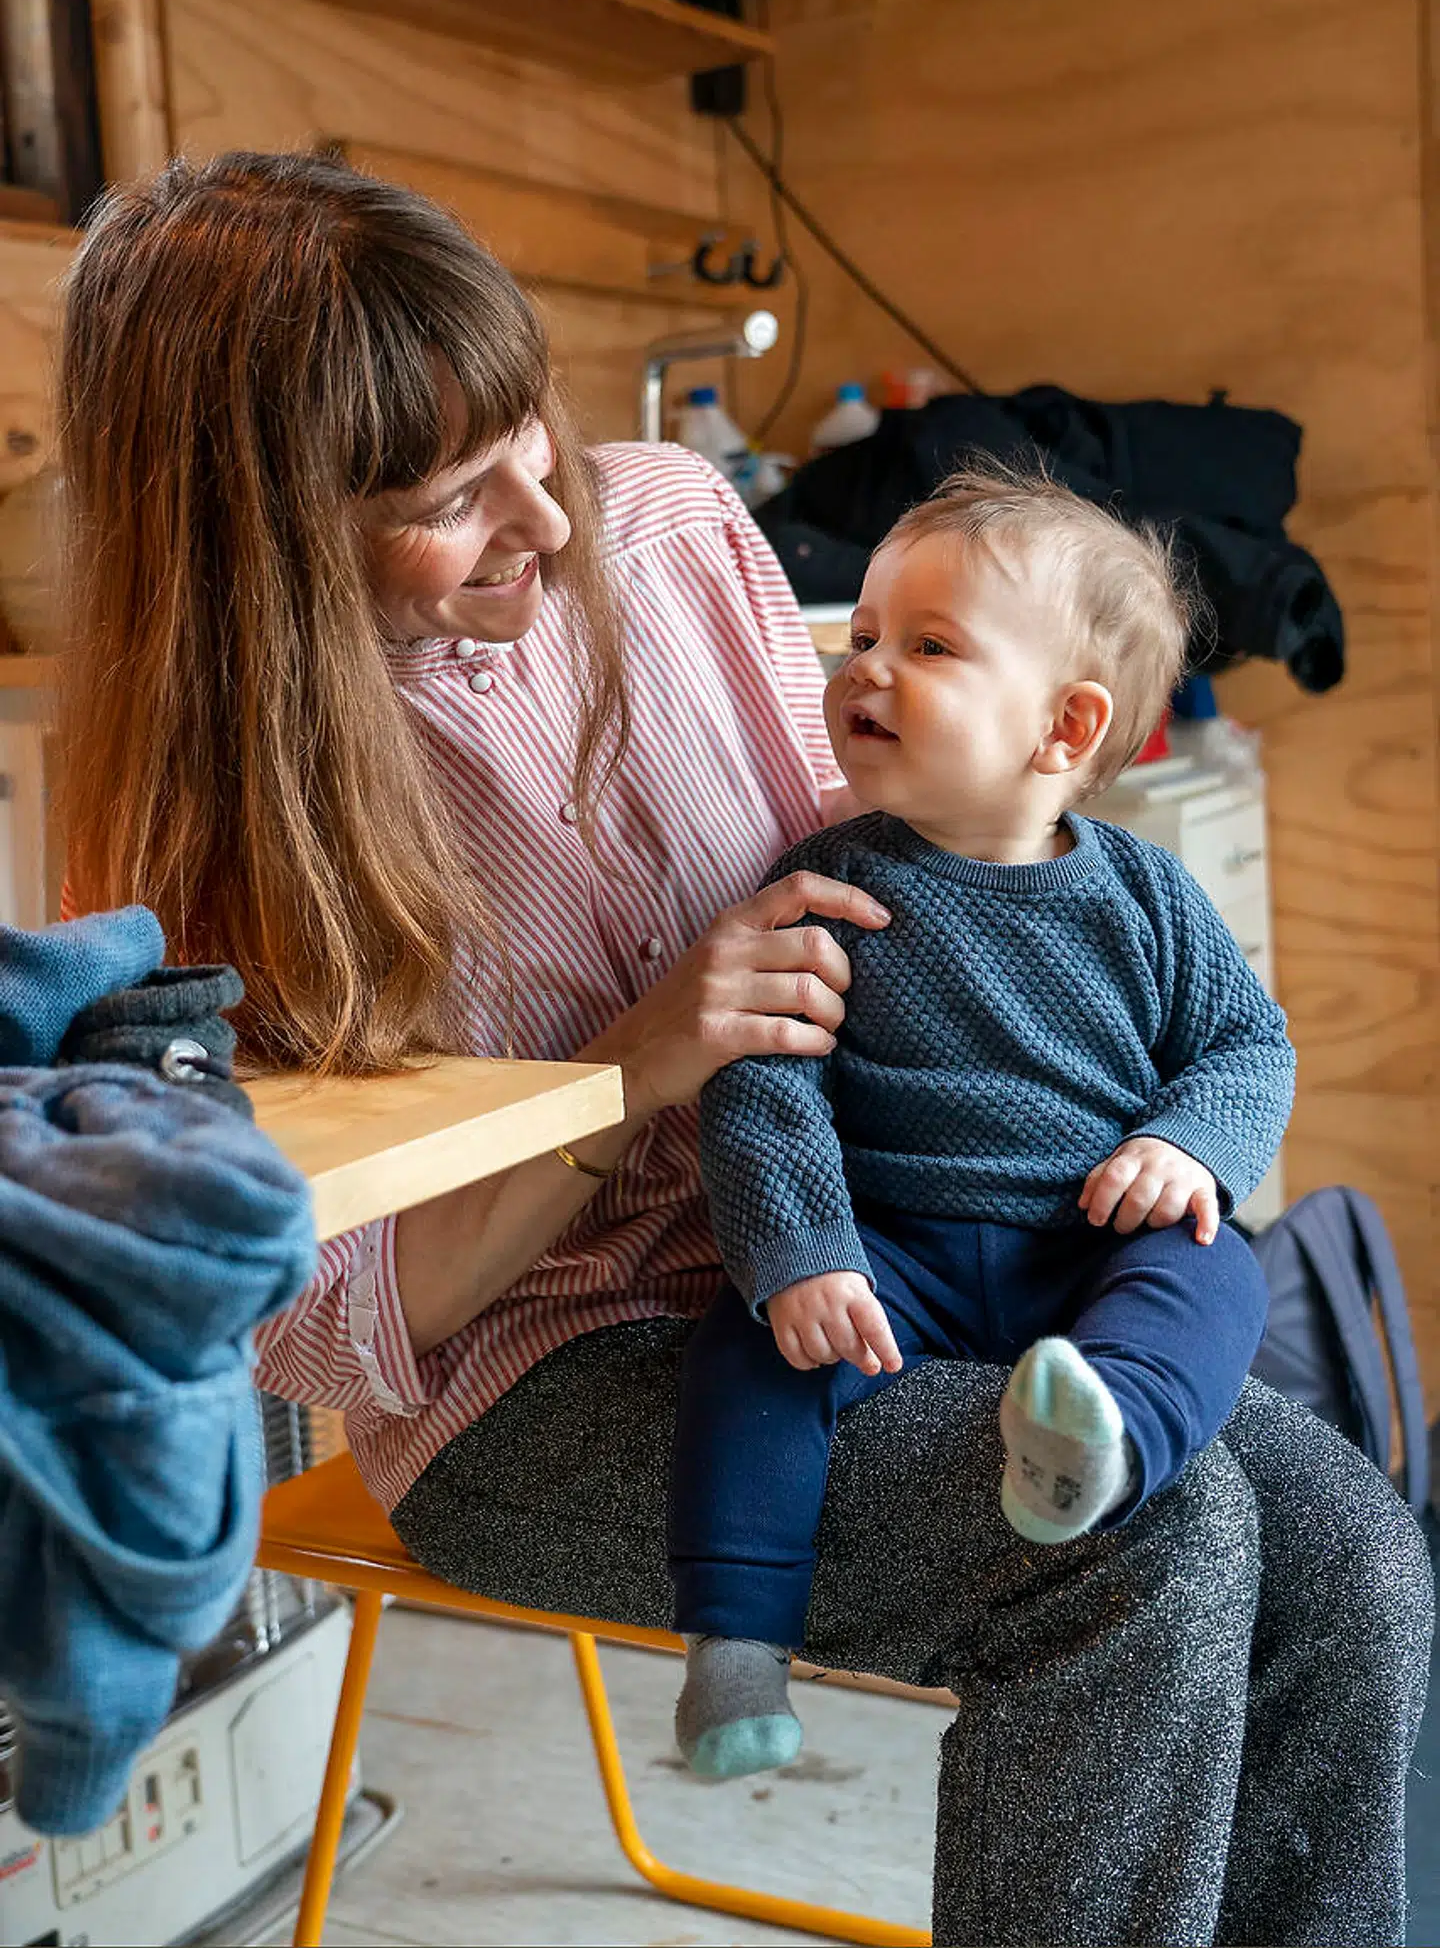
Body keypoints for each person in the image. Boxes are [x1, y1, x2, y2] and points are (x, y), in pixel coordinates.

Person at [53, 149, 1431, 1948]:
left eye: (526, 435)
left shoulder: (680, 528)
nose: (547, 522)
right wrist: (629, 1069)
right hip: (542, 1386)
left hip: (893, 1268)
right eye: (454, 499)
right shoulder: (191, 835)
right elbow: (322, 1322)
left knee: (1352, 1554)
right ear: (264, 535)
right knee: (1138, 1554)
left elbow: (886, 907)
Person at [669, 471, 1291, 1780]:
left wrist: (1187, 1147)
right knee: (747, 1347)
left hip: (1083, 1248)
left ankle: (1099, 1438)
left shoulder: (1151, 900)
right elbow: (763, 1086)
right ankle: (734, 1650)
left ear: (1063, 729)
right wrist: (805, 1256)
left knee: (1219, 1269)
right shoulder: (825, 882)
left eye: (929, 647)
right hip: (888, 1260)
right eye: (864, 640)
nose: (869, 671)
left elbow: (1249, 1047)